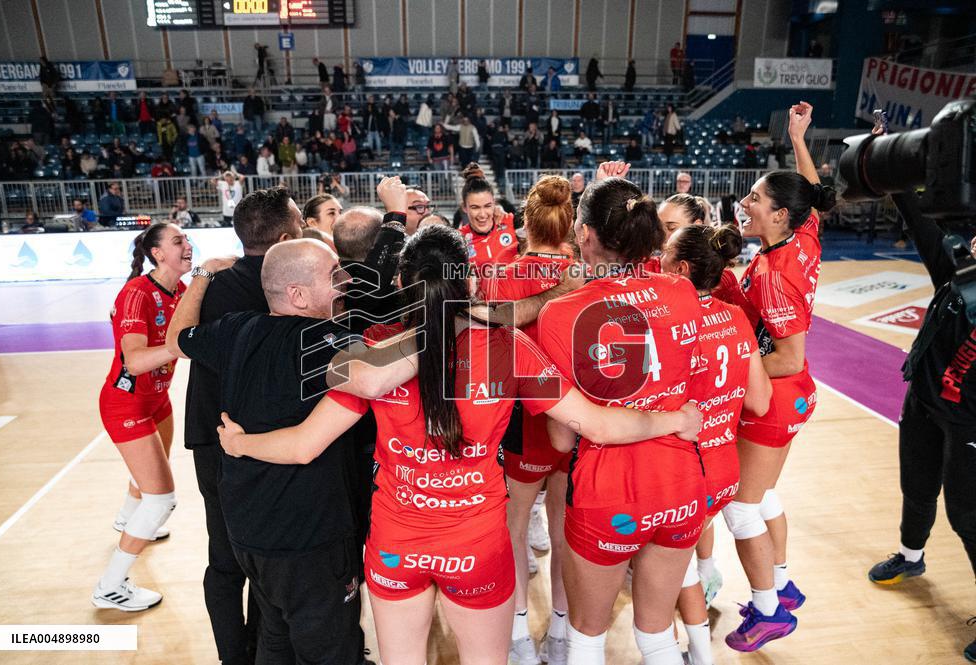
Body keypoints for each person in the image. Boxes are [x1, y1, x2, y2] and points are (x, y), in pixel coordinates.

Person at [217, 221, 701, 665]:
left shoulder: (376, 347)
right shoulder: (509, 349)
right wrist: (675, 418)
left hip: (395, 546)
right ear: (470, 283)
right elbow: (596, 426)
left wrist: (241, 445)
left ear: (403, 285)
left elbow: (304, 445)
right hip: (476, 544)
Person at [169, 231, 414, 665]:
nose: (346, 282)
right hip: (308, 539)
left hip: (249, 532)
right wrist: (445, 323)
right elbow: (375, 378)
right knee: (331, 650)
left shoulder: (236, 328)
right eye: (334, 275)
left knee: (275, 638)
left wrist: (202, 276)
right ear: (298, 294)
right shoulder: (317, 342)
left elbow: (179, 338)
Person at [533, 161, 708, 664]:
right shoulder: (680, 291)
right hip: (679, 482)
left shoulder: (560, 314)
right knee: (656, 635)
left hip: (609, 491)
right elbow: (639, 281)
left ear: (584, 235)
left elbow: (564, 441)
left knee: (588, 634)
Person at [718, 101, 837, 651]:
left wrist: (726, 373)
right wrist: (797, 139)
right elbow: (811, 192)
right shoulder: (801, 234)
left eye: (756, 200)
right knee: (762, 497)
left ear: (778, 216)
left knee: (741, 507)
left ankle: (769, 612)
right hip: (791, 395)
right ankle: (784, 586)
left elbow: (787, 356)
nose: (745, 203)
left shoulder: (775, 275)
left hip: (778, 392)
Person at [180, 187, 314, 665]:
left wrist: (197, 276)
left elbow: (181, 340)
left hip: (210, 436)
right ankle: (266, 650)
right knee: (264, 553)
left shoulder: (213, 284)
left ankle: (234, 657)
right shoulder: (298, 283)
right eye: (301, 224)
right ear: (283, 236)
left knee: (224, 559)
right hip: (261, 438)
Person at [865, 157, 976, 662]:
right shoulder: (957, 275)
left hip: (969, 422)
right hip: (925, 404)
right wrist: (893, 174)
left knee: (968, 516)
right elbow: (920, 220)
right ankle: (911, 558)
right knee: (917, 484)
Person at [660, 223, 773, 665]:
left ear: (682, 267)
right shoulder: (735, 315)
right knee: (686, 556)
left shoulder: (671, 323)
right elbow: (760, 401)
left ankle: (700, 655)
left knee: (673, 566)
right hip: (725, 464)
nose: (659, 260)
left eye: (666, 254)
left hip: (684, 468)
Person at [480, 176, 578, 664]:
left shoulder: (503, 272)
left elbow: (487, 334)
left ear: (525, 220)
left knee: (513, 528)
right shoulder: (587, 272)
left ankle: (518, 637)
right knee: (564, 530)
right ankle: (560, 636)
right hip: (578, 419)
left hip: (522, 416)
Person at [93, 222, 195, 611]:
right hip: (126, 403)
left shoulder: (180, 290)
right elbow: (133, 363)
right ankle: (110, 585)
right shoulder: (137, 293)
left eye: (186, 239)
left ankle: (125, 519)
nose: (187, 245)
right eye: (178, 241)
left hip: (157, 399)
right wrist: (182, 344)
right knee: (162, 499)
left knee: (151, 473)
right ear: (157, 253)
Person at [458, 164, 518, 269]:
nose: (482, 214)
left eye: (487, 206)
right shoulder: (459, 240)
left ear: (494, 204)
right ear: (464, 207)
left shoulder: (511, 222)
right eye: (475, 207)